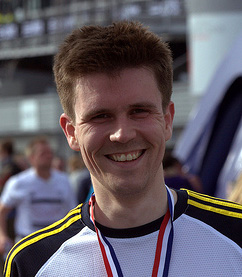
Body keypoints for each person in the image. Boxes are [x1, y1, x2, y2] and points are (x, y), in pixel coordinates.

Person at [3, 21, 242, 277]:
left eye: (139, 111)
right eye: (100, 116)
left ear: (168, 120)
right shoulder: (32, 262)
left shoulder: (235, 234)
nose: (122, 134)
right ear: (71, 132)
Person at [0, 136, 77, 260]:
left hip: (57, 246)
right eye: (43, 153)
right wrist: (2, 237)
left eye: (50, 153)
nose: (48, 156)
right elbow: (2, 211)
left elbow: (73, 213)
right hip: (27, 245)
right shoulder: (19, 182)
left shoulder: (64, 180)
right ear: (31, 158)